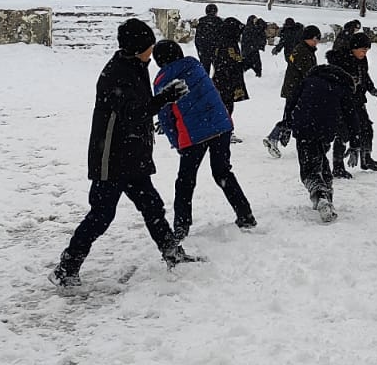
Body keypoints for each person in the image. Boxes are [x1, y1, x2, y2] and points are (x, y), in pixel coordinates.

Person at [53, 19, 199, 290]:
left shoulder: (135, 66)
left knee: (152, 206)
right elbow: (133, 112)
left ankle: (172, 254)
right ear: (136, 48)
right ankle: (67, 266)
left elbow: (139, 109)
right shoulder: (116, 74)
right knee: (101, 214)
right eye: (148, 45)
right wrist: (165, 98)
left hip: (133, 154)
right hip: (111, 156)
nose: (152, 50)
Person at [154, 40, 257, 236]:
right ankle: (245, 214)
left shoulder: (163, 80)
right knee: (222, 172)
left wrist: (177, 142)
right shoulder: (195, 66)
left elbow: (165, 117)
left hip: (194, 134)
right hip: (220, 125)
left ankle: (181, 226)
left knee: (185, 180)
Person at [281, 60, 361, 223]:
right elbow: (352, 117)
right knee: (320, 160)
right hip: (325, 130)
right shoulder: (342, 87)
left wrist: (287, 123)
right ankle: (327, 194)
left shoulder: (309, 80)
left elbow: (291, 100)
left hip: (303, 127)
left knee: (309, 167)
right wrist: (355, 142)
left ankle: (321, 195)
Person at [327, 32, 377, 174]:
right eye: (363, 49)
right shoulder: (340, 61)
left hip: (358, 100)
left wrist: (372, 89)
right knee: (343, 133)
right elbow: (334, 82)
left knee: (366, 128)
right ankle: (338, 166)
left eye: (367, 50)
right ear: (354, 48)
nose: (365, 53)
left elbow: (365, 76)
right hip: (342, 102)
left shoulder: (362, 60)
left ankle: (366, 158)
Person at [265, 25, 322, 159]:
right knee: (293, 117)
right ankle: (274, 136)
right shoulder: (302, 51)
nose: (317, 41)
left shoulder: (306, 50)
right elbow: (308, 72)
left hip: (297, 89)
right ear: (308, 38)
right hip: (296, 90)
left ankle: (288, 136)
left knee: (295, 116)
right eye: (315, 38)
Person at [212, 17, 251, 115]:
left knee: (222, 103)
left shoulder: (221, 40)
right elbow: (234, 60)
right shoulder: (229, 43)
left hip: (221, 77)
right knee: (226, 104)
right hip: (228, 78)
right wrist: (243, 63)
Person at [193, 4, 224, 75]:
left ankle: (205, 84)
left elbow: (197, 38)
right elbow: (222, 38)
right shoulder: (220, 22)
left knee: (204, 71)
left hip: (204, 50)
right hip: (216, 50)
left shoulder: (201, 22)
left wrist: (200, 50)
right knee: (218, 71)